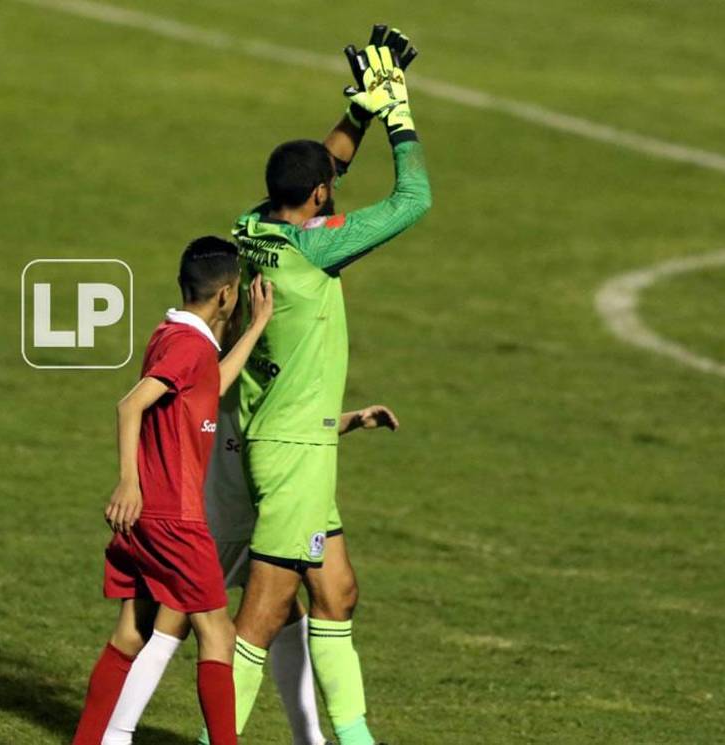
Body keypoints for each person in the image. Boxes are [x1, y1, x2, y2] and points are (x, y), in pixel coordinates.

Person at [221, 27, 431, 745]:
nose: (334, 189)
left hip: (288, 440)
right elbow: (413, 200)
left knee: (336, 593)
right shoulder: (319, 247)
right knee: (262, 616)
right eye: (329, 189)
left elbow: (320, 165)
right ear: (318, 197)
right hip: (292, 455)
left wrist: (358, 113)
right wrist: (398, 115)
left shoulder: (250, 229)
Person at [102, 397, 399, 745]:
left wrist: (350, 419)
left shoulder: (255, 375)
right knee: (171, 622)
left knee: (285, 611)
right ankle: (114, 735)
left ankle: (309, 737)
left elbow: (291, 425)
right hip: (214, 525)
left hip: (261, 521)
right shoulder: (216, 372)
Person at [72, 237, 274, 745]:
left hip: (149, 518)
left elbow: (212, 384)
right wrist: (128, 481)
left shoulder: (177, 336)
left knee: (132, 633)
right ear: (227, 294)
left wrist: (254, 330)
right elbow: (130, 405)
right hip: (172, 515)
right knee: (218, 634)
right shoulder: (188, 347)